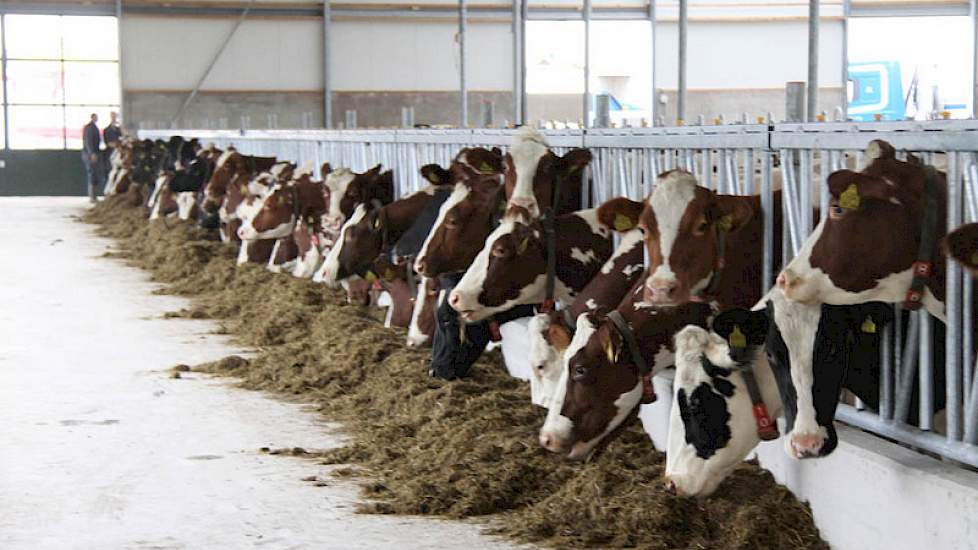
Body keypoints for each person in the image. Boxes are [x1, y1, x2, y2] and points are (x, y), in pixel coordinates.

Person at [81, 113, 101, 203]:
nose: (96, 118)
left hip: (91, 153)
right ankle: (92, 196)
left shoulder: (93, 127)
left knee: (93, 174)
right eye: (95, 117)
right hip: (89, 154)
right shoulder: (90, 128)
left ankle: (93, 196)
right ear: (92, 118)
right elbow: (88, 142)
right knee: (92, 174)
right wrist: (92, 153)